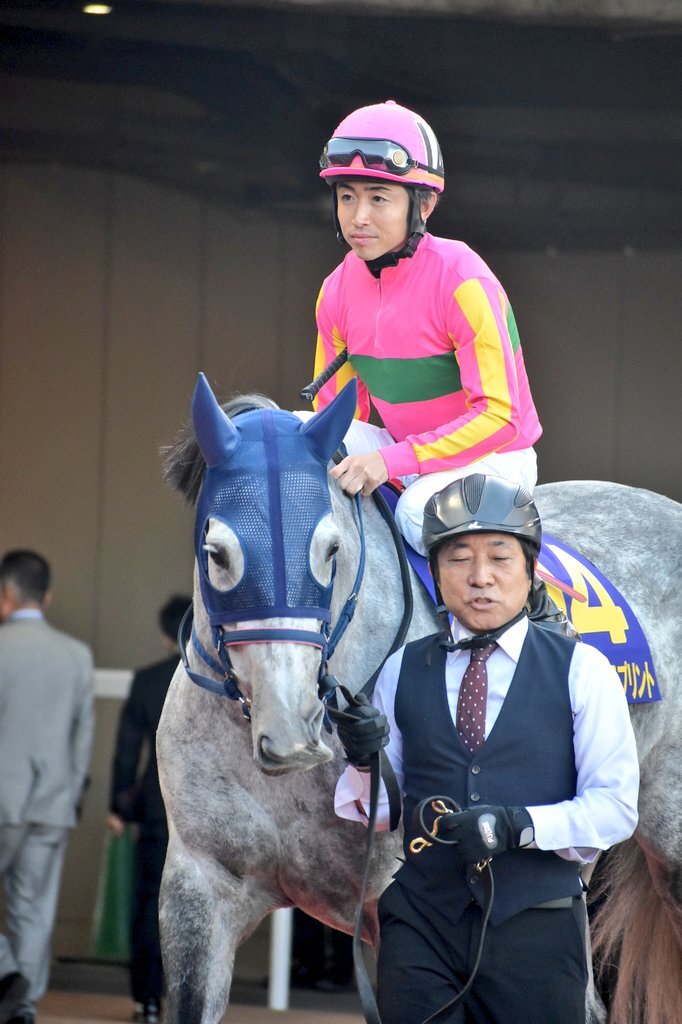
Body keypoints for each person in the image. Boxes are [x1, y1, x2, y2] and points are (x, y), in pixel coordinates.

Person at [333, 475, 639, 1024]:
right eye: (458, 559)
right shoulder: (402, 668)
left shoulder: (583, 670)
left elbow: (615, 808)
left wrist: (519, 824)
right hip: (421, 926)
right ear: (435, 572)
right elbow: (379, 813)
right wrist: (362, 761)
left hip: (537, 930)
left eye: (500, 558)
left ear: (530, 570)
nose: (480, 577)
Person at [311, 99, 542, 557]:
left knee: (418, 510)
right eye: (347, 196)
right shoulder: (335, 291)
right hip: (405, 451)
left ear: (425, 204)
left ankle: (524, 596)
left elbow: (500, 419)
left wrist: (391, 461)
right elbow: (334, 416)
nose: (358, 216)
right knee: (297, 437)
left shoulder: (463, 280)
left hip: (493, 457)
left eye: (378, 198)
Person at [0, 550, 94, 1024]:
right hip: (53, 802)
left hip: (3, 799)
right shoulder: (77, 656)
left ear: (5, 595)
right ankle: (24, 1004)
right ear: (47, 596)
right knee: (33, 910)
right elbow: (83, 737)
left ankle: (6, 974)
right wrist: (70, 796)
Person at [107, 595, 190, 1024]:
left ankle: (147, 1002)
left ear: (164, 635)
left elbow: (127, 753)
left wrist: (119, 806)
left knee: (150, 907)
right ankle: (189, 1004)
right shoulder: (218, 679)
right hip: (207, 815)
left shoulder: (147, 680)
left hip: (159, 810)